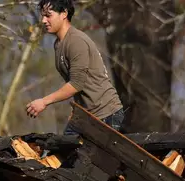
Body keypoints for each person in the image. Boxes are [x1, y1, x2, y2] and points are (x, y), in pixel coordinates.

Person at [26, 0, 125, 135]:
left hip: (106, 113)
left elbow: (76, 84)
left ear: (64, 14)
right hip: (85, 116)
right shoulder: (58, 44)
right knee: (61, 152)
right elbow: (75, 83)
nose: (43, 20)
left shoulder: (76, 41)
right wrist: (77, 109)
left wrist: (44, 102)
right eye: (42, 15)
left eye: (48, 15)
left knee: (86, 155)